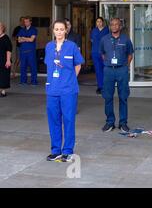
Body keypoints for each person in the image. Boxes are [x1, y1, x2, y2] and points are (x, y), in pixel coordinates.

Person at [44, 19, 84, 162]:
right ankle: (55, 150)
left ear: (66, 31)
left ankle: (67, 150)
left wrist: (70, 79)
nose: (59, 32)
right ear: (53, 31)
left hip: (68, 90)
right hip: (52, 90)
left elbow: (78, 64)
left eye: (62, 29)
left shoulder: (72, 46)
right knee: (53, 120)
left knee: (68, 119)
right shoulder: (49, 47)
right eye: (57, 29)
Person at [99, 18, 134, 133]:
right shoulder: (104, 39)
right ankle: (110, 122)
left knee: (123, 97)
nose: (114, 27)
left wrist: (125, 66)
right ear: (110, 26)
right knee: (108, 97)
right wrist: (109, 63)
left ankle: (123, 123)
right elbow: (103, 54)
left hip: (121, 70)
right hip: (109, 70)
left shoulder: (126, 39)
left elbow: (130, 54)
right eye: (112, 25)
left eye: (116, 25)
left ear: (120, 26)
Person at [90, 17, 109, 94]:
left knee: (105, 70)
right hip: (95, 52)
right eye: (97, 22)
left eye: (100, 21)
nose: (99, 23)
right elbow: (91, 40)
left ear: (103, 22)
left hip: (104, 53)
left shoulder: (106, 30)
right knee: (98, 70)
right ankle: (100, 87)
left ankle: (106, 86)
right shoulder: (94, 30)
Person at [17, 16, 38, 85]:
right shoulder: (21, 30)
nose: (25, 23)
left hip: (31, 51)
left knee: (33, 66)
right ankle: (23, 81)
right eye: (25, 22)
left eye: (27, 21)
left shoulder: (33, 29)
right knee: (23, 66)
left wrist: (23, 38)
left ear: (30, 22)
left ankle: (34, 81)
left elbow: (32, 39)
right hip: (23, 51)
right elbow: (19, 40)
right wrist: (27, 38)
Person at [0, 22, 12, 97]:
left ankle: (3, 91)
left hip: (4, 60)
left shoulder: (6, 38)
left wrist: (8, 60)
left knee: (4, 76)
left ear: (2, 28)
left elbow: (9, 50)